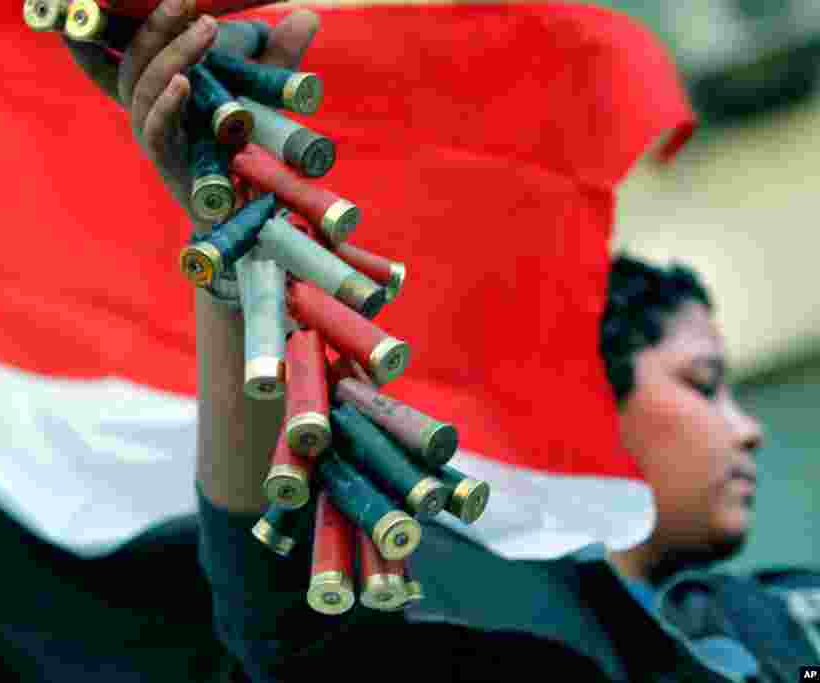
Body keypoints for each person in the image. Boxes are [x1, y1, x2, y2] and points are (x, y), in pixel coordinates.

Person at [71, 2, 820, 681]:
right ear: (586, 399)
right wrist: (242, 239)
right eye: (701, 380)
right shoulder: (481, 619)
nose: (748, 429)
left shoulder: (793, 616)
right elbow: (289, 628)